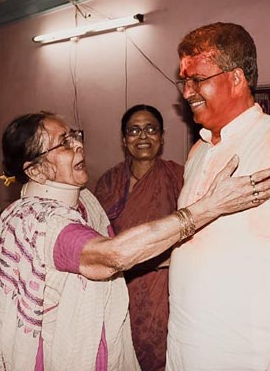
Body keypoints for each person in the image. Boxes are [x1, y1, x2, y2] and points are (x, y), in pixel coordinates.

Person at [0, 112, 270, 370]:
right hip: (61, 352)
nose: (78, 145)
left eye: (74, 136)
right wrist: (210, 206)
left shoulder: (85, 202)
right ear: (37, 170)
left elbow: (125, 254)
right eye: (64, 143)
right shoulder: (40, 221)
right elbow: (114, 255)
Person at [166, 22, 270, 371]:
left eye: (197, 79)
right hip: (184, 348)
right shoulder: (199, 151)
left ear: (237, 78)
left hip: (243, 356)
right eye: (184, 81)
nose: (187, 92)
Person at [95, 104, 182, 371]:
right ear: (124, 139)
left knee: (159, 352)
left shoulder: (179, 177)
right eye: (134, 130)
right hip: (117, 284)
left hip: (163, 286)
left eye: (150, 129)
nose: (142, 136)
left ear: (162, 137)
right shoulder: (109, 182)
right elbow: (96, 235)